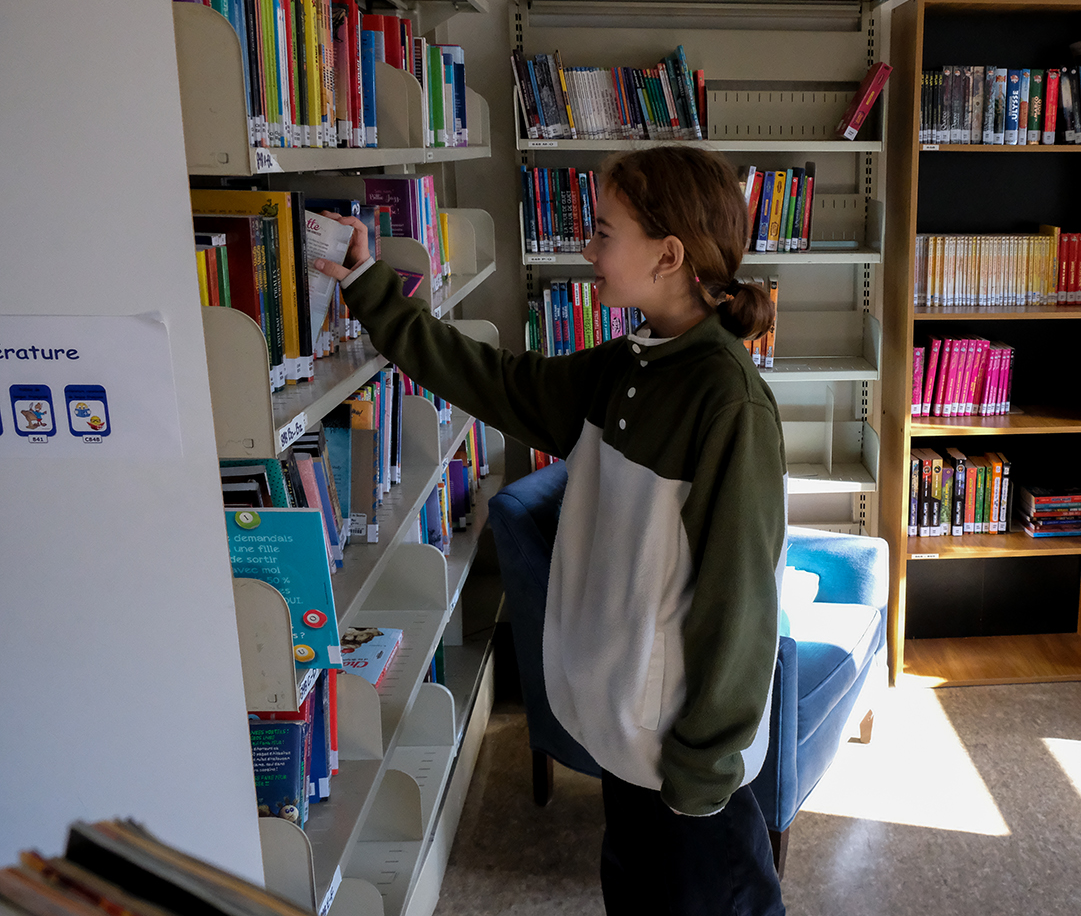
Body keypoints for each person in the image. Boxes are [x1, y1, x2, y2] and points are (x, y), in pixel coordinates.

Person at [315, 144, 788, 915]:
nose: (586, 249)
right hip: (628, 746)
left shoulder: (728, 404)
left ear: (668, 255)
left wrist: (701, 772)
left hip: (687, 774)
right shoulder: (624, 367)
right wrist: (373, 289)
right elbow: (492, 380)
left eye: (604, 233)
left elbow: (743, 601)